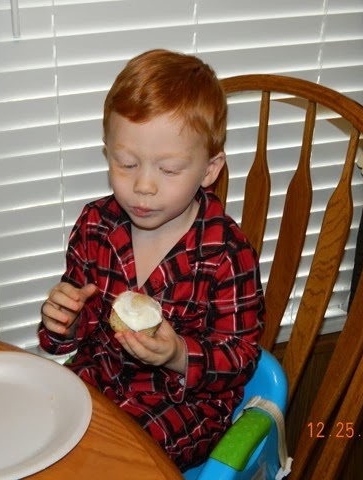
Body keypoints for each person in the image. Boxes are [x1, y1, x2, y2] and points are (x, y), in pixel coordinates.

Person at [38, 49, 265, 471]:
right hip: (102, 377)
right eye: (126, 163)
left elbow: (240, 357)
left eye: (169, 169)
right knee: (37, 420)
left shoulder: (226, 253)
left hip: (182, 404)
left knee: (115, 457)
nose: (143, 185)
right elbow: (73, 333)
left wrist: (178, 353)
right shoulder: (95, 226)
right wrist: (63, 321)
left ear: (209, 169)